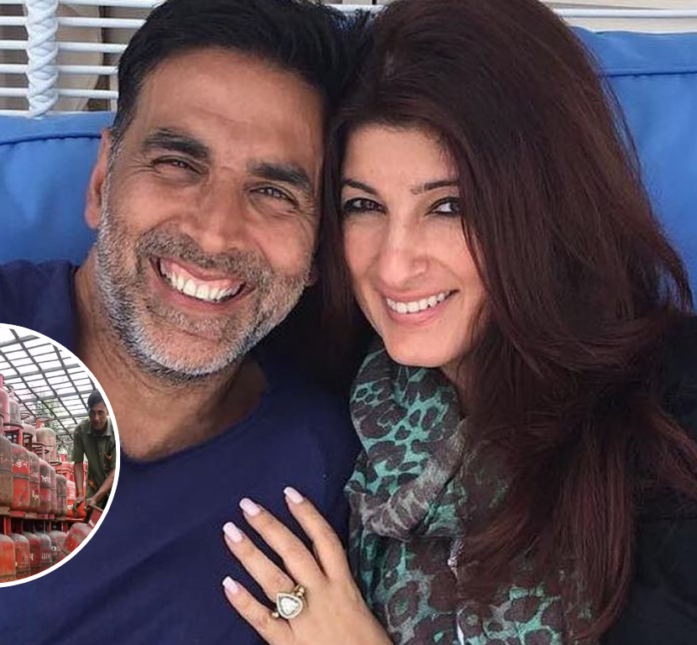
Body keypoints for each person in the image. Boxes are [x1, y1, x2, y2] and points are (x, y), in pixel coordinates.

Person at [0, 1, 369, 643]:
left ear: (319, 250)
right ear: (100, 181)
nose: (215, 231)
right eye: (178, 164)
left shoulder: (329, 463)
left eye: (274, 192)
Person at [221, 1, 697, 644]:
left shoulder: (672, 411)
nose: (394, 265)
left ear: (546, 207)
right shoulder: (329, 388)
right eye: (364, 206)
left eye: (448, 207)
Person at [72, 390, 116, 510]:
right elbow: (78, 463)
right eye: (92, 412)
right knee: (92, 518)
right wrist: (80, 494)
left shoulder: (116, 432)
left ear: (108, 411)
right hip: (95, 486)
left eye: (100, 412)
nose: (96, 418)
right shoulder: (80, 431)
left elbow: (115, 472)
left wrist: (96, 498)